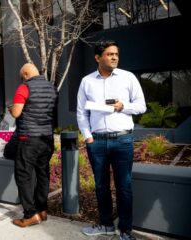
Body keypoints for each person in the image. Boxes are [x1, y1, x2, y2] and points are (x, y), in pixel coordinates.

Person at [77, 40, 146, 240]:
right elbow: (82, 113)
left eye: (116, 53)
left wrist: (122, 106)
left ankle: (125, 230)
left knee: (124, 187)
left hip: (122, 140)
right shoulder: (87, 81)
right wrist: (88, 137)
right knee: (101, 186)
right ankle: (106, 225)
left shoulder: (128, 78)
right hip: (96, 142)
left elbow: (141, 106)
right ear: (98, 58)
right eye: (109, 54)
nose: (114, 57)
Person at [9, 63, 57, 227]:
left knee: (23, 176)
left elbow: (16, 112)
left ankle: (30, 214)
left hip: (28, 138)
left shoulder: (24, 87)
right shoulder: (51, 88)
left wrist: (11, 109)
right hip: (47, 138)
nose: (22, 79)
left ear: (26, 73)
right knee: (43, 173)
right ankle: (42, 210)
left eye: (23, 76)